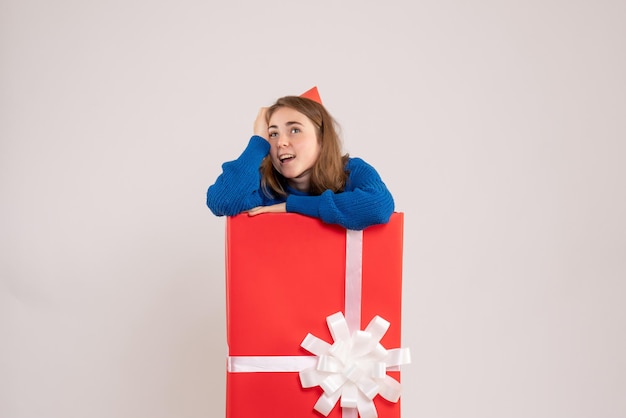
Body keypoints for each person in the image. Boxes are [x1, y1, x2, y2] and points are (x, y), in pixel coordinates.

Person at [206, 87, 394, 230]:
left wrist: (291, 206)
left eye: (295, 130)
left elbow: (378, 206)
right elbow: (222, 201)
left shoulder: (353, 171)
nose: (281, 142)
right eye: (272, 134)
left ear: (321, 138)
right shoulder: (264, 188)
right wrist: (257, 142)